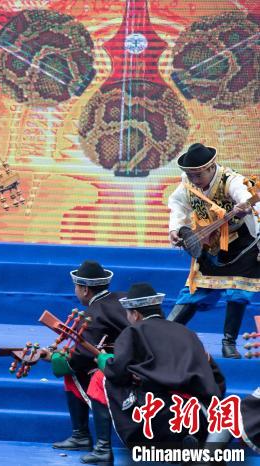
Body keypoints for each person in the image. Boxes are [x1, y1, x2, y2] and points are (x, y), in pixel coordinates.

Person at [98, 282, 226, 450]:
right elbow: (216, 376)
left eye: (128, 314)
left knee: (101, 378)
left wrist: (104, 361)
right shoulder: (188, 333)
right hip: (199, 414)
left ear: (135, 314)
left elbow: (117, 372)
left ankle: (102, 448)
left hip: (160, 414)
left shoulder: (133, 332)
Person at [167, 143, 260, 358]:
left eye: (198, 175)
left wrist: (244, 205)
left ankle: (228, 343)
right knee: (193, 292)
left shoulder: (230, 179)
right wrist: (175, 228)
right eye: (190, 175)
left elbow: (245, 194)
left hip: (240, 245)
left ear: (211, 167)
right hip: (210, 245)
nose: (194, 180)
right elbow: (177, 203)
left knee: (238, 292)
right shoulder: (188, 184)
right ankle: (163, 335)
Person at [50, 261, 129, 465]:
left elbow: (80, 358)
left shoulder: (93, 314)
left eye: (76, 287)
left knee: (75, 371)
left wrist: (53, 358)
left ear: (85, 289)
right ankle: (81, 436)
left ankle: (89, 439)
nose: (75, 291)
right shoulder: (123, 297)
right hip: (142, 360)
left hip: (124, 369)